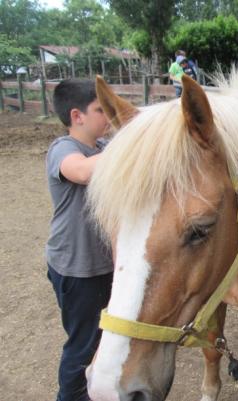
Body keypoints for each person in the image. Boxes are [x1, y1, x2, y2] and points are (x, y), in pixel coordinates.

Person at [46, 79, 114, 401]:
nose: (108, 116)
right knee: (83, 342)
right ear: (77, 116)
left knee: (103, 339)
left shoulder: (102, 148)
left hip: (102, 265)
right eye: (101, 110)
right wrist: (132, 144)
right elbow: (83, 172)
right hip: (76, 269)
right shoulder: (63, 149)